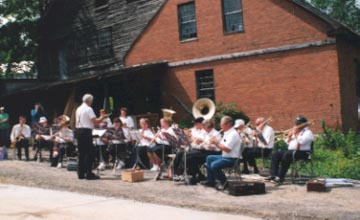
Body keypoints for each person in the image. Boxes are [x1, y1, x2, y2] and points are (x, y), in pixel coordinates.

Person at [266, 116, 314, 183]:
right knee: (276, 154)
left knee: (287, 155)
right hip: (292, 151)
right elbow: (290, 144)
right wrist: (289, 137)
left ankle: (280, 177)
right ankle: (273, 175)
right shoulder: (297, 132)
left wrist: (295, 134)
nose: (296, 125)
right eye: (296, 123)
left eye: (298, 124)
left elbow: (301, 142)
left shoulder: (308, 133)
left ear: (303, 124)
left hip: (303, 152)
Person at [202, 116, 241, 190]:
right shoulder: (227, 133)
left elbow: (227, 149)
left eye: (222, 124)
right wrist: (214, 143)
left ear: (228, 125)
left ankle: (224, 183)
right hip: (226, 156)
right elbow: (223, 145)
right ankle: (211, 181)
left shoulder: (233, 134)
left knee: (214, 165)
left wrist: (216, 143)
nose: (221, 126)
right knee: (209, 158)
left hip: (232, 159)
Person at [75, 94, 109, 180]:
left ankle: (81, 173)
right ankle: (89, 173)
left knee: (81, 153)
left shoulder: (78, 108)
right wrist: (102, 117)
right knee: (89, 153)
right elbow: (95, 122)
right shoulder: (89, 109)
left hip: (79, 131)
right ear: (90, 101)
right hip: (86, 131)